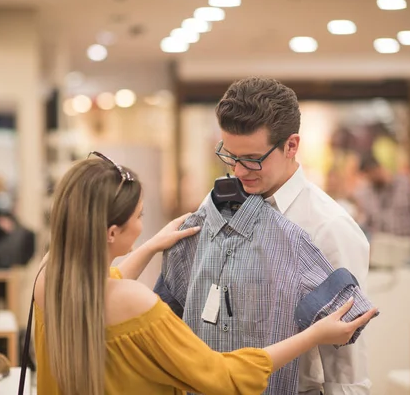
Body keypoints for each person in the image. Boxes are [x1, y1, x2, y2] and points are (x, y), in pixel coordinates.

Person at [32, 155, 376, 395]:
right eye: (139, 216)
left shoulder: (50, 277)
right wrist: (313, 335)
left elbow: (103, 285)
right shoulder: (135, 301)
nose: (142, 224)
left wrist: (151, 246)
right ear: (111, 233)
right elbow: (222, 375)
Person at [156, 77, 372, 395]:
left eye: (253, 159)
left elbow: (345, 355)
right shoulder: (214, 205)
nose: (240, 171)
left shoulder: (328, 227)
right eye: (230, 156)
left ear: (291, 145)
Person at [355, 154, 410, 238]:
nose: (370, 178)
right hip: (381, 242)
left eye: (372, 173)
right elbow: (366, 221)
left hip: (405, 240)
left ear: (378, 168)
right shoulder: (366, 193)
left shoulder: (405, 185)